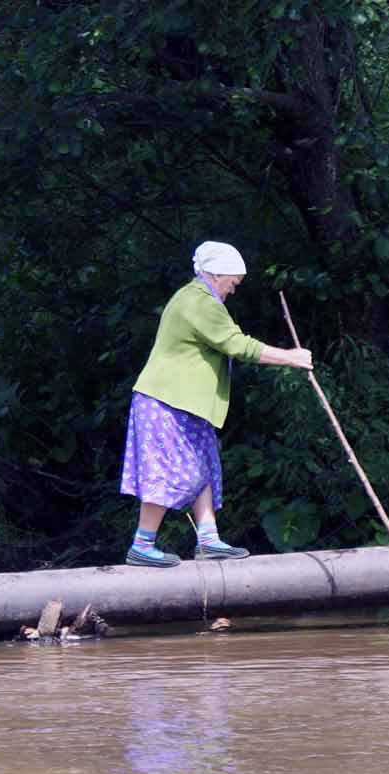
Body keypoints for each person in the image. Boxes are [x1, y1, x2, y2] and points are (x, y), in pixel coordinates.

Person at [119, 241, 314, 567]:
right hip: (165, 402)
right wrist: (290, 358)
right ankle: (142, 544)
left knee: (204, 466)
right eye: (233, 282)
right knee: (167, 470)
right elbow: (237, 345)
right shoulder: (199, 302)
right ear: (217, 273)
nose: (234, 290)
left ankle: (208, 539)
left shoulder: (195, 297)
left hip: (184, 404)